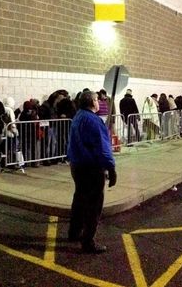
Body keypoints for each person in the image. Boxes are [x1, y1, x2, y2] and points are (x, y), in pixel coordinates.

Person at [67, 91, 116, 254]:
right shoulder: (94, 121)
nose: (99, 102)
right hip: (91, 167)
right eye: (97, 100)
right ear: (92, 102)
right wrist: (111, 167)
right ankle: (88, 241)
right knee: (94, 205)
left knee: (80, 199)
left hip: (77, 165)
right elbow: (103, 148)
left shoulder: (78, 116)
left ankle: (74, 232)